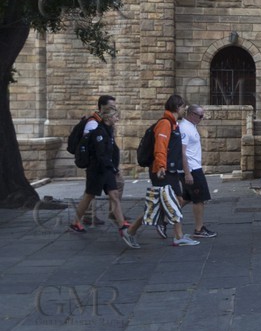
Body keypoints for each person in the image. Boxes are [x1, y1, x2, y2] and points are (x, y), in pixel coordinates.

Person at [127, 93, 200, 246]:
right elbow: (160, 146)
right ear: (177, 107)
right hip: (162, 172)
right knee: (159, 204)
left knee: (171, 202)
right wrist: (161, 166)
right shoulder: (165, 124)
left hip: (170, 171)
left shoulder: (172, 123)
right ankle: (131, 232)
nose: (184, 110)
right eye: (183, 107)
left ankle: (178, 236)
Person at [70, 98, 136, 245]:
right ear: (108, 117)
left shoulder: (108, 130)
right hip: (97, 170)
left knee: (114, 195)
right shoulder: (99, 131)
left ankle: (121, 224)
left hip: (106, 170)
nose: (117, 119)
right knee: (88, 196)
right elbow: (100, 155)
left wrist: (112, 167)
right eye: (115, 116)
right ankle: (76, 221)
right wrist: (112, 167)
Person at [178, 104, 215, 237]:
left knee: (187, 197)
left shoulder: (190, 126)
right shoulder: (184, 128)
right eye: (200, 116)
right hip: (192, 169)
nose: (202, 118)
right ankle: (199, 229)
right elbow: (182, 152)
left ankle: (164, 217)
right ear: (192, 114)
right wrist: (187, 173)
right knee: (199, 199)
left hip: (194, 167)